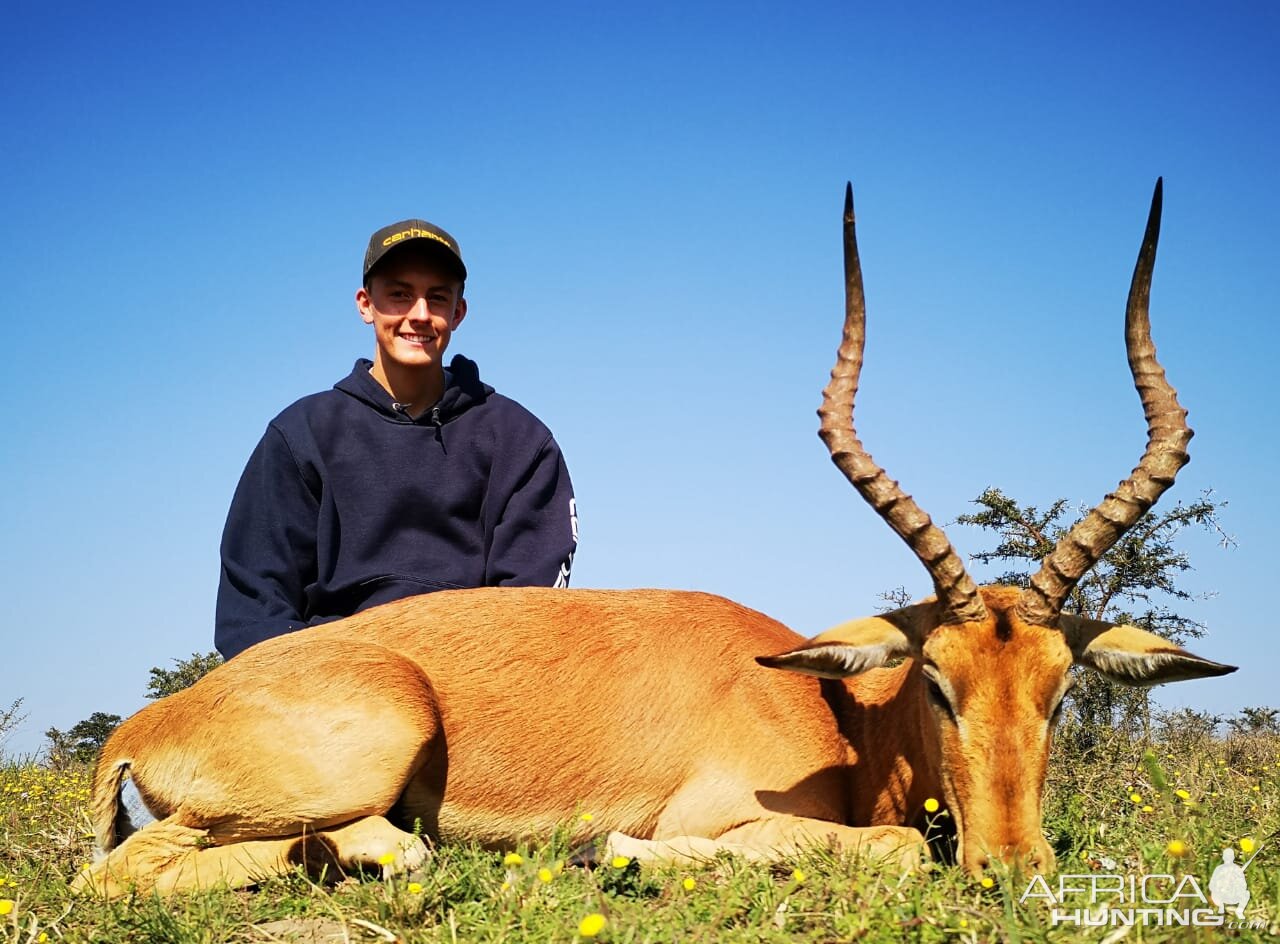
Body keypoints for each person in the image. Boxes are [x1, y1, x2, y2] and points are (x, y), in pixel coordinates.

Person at [214, 218, 578, 659]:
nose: (419, 314)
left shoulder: (522, 442)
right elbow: (252, 611)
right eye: (400, 294)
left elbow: (530, 616)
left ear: (458, 312)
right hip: (327, 685)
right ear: (366, 304)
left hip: (468, 684)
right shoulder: (300, 434)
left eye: (437, 297)